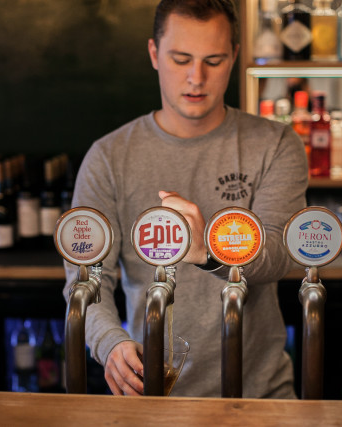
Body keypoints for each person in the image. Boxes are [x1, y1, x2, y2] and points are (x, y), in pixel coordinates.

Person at [63, 0, 308, 398]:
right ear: (154, 54)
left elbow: (279, 254)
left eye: (213, 60)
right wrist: (110, 342)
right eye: (181, 59)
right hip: (154, 393)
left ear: (234, 57)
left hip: (260, 396)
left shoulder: (275, 144)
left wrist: (208, 251)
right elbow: (86, 278)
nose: (197, 77)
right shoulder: (108, 157)